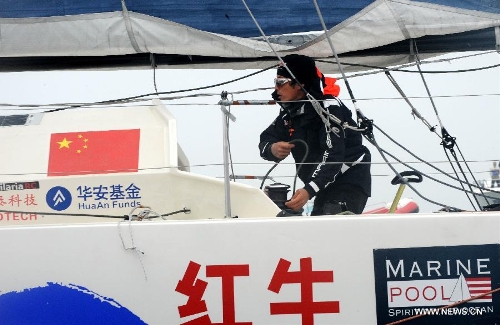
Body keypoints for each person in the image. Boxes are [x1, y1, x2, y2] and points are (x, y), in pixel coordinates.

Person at [259, 54, 371, 215]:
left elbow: (333, 154)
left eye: (280, 82)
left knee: (330, 230)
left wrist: (309, 190)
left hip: (348, 180)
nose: (276, 88)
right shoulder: (290, 113)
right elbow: (266, 138)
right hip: (322, 185)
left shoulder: (329, 108)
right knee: (315, 230)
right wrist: (272, 148)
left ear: (299, 84)